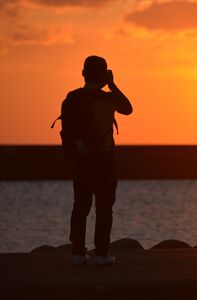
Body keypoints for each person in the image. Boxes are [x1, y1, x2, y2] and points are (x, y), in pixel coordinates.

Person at [59, 55, 133, 266]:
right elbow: (128, 109)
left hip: (81, 160)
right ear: (104, 74)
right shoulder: (107, 98)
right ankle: (101, 254)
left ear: (83, 74)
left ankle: (78, 253)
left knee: (80, 206)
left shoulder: (72, 97)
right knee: (104, 208)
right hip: (105, 161)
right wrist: (112, 84)